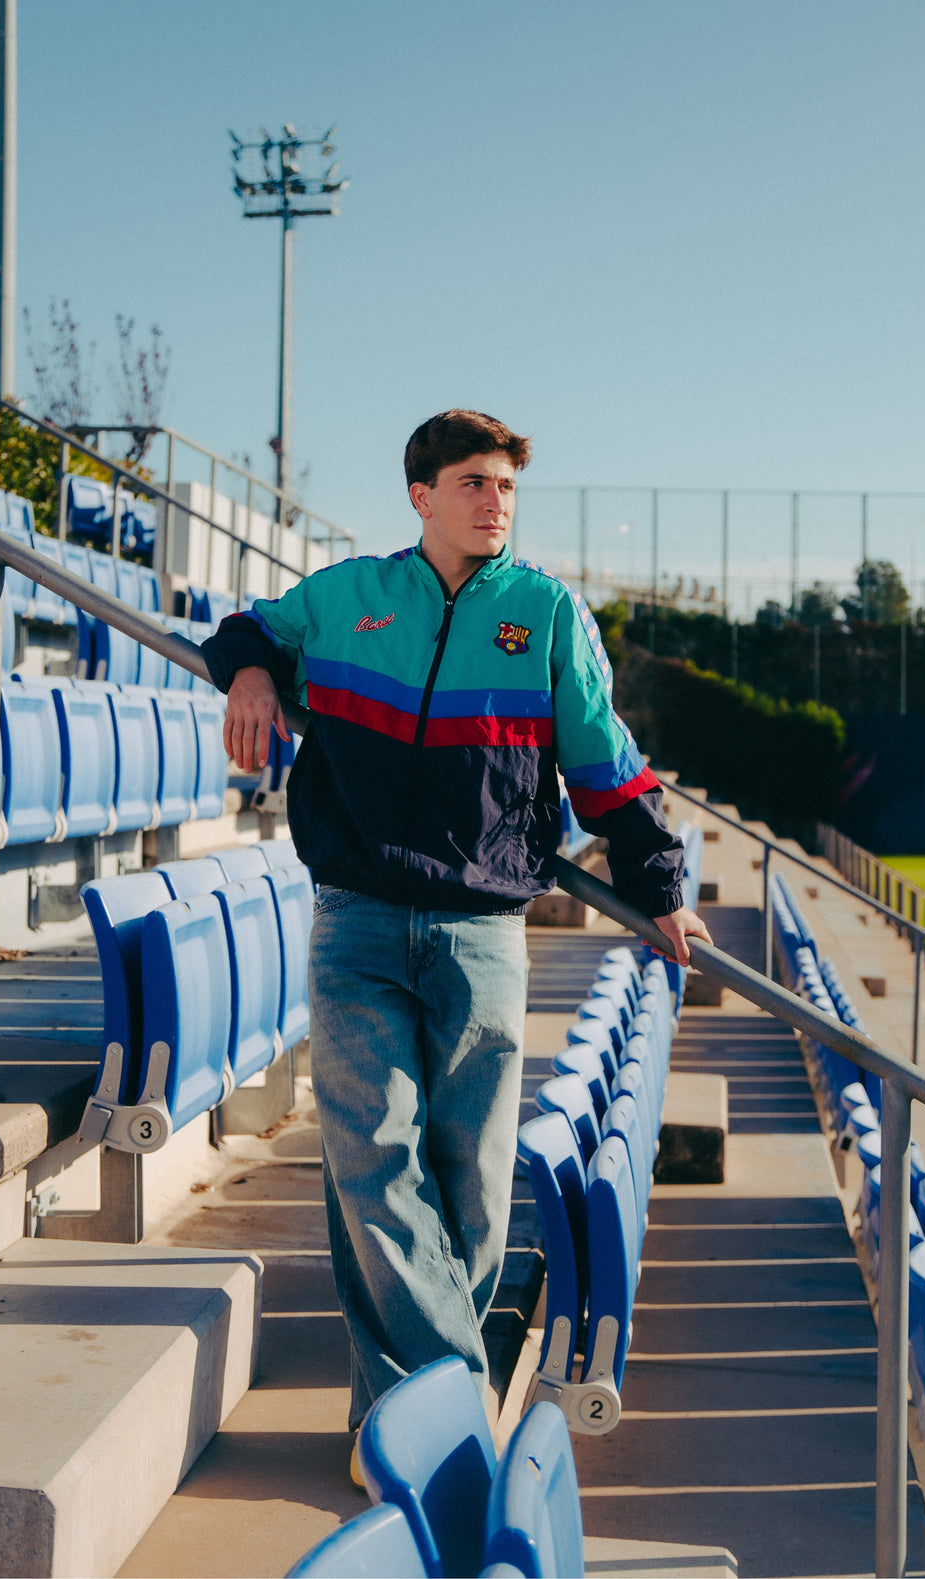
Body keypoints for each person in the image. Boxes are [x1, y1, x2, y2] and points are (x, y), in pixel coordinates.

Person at [201, 409, 710, 1456]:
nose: (495, 503)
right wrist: (249, 673)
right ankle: (447, 1414)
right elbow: (250, 628)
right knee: (374, 1163)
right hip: (358, 920)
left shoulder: (547, 614)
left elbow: (604, 760)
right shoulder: (350, 598)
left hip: (483, 928)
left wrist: (657, 879)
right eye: (474, 483)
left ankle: (392, 1415)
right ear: (421, 495)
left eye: (507, 488)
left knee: (472, 1186)